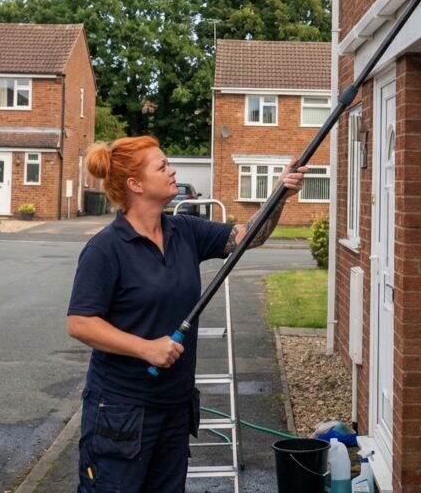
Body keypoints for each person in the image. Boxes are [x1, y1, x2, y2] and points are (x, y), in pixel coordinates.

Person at [66, 135, 307, 493]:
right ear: (135, 184)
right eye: (161, 166)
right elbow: (80, 323)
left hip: (174, 407)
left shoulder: (183, 231)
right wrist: (145, 348)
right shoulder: (106, 249)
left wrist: (279, 195)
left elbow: (247, 237)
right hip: (122, 412)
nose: (172, 169)